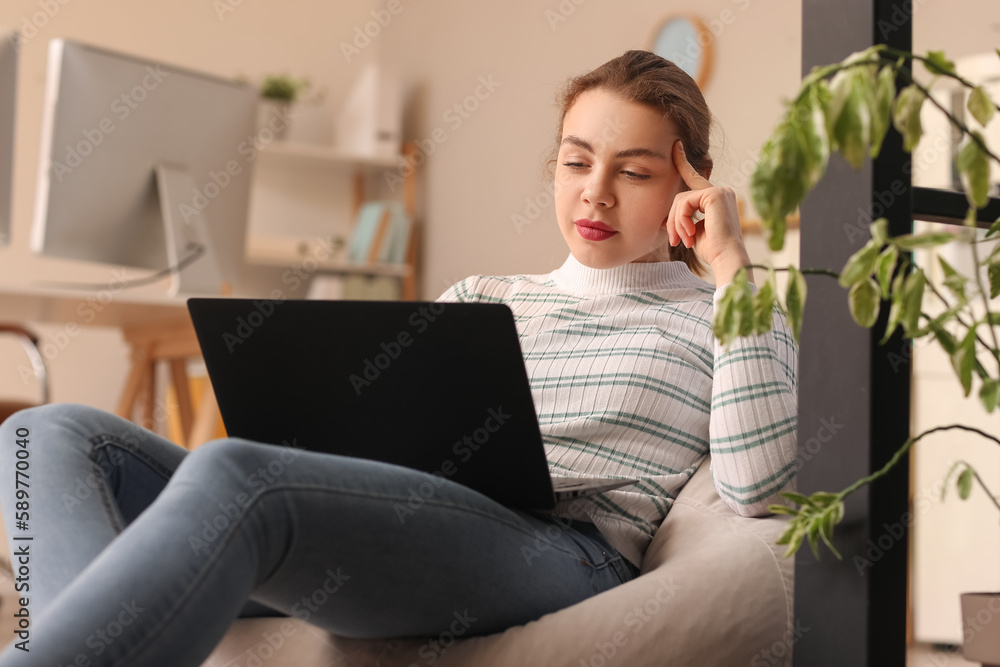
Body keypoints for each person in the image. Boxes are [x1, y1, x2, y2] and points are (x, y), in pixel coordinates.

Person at [0, 49, 797, 666]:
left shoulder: (723, 312)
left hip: (561, 548)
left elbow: (760, 485)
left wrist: (732, 266)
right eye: (576, 159)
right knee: (47, 433)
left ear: (689, 187)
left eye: (634, 171)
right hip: (407, 519)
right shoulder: (484, 291)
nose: (595, 192)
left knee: (236, 474)